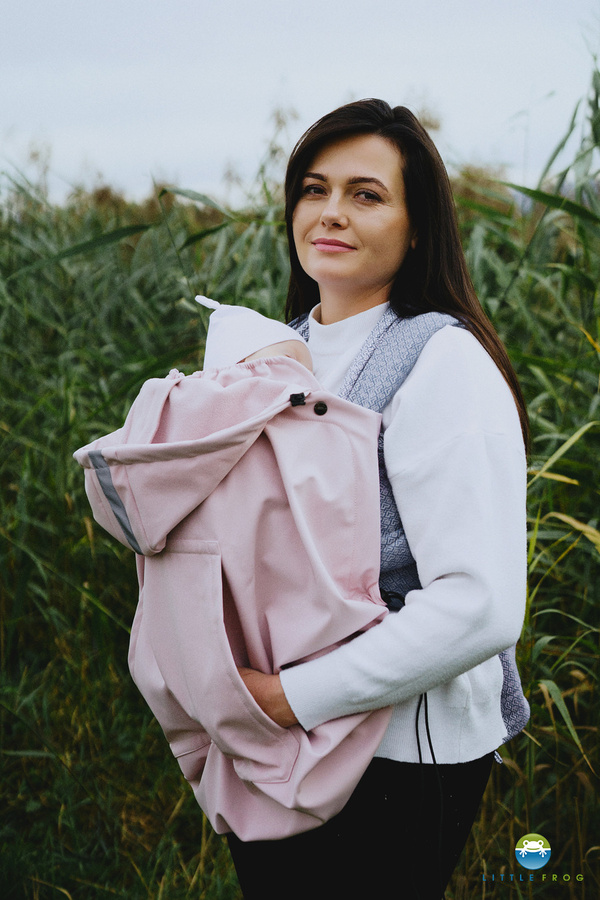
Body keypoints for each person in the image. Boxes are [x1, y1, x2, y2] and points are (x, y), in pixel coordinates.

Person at [230, 99, 530, 900]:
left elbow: (481, 607)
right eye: (314, 189)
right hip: (275, 743)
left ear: (418, 225)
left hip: (396, 761)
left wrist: (288, 698)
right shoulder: (272, 355)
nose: (331, 213)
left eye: (366, 194)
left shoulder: (440, 362)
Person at [73, 295, 394, 841]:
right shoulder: (286, 442)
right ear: (272, 375)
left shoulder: (162, 453)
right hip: (300, 708)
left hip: (203, 706)